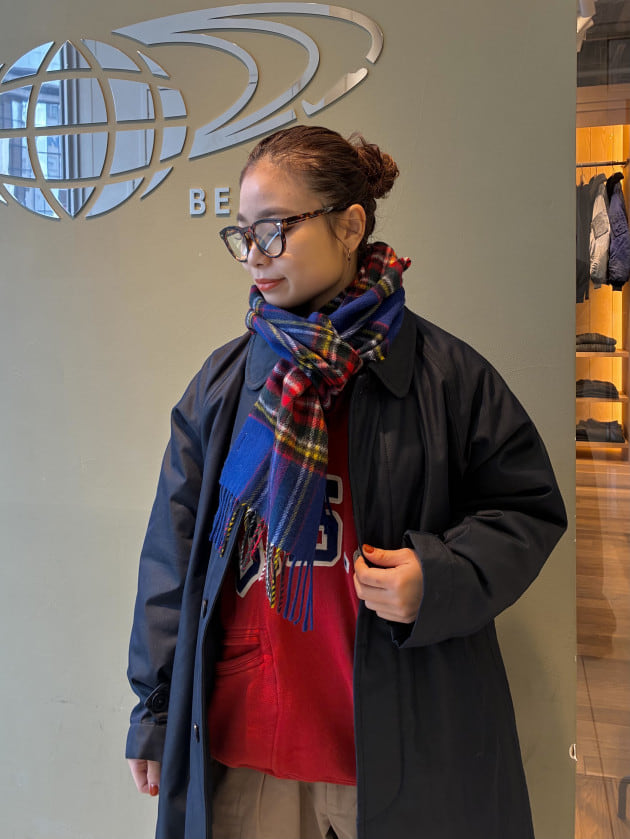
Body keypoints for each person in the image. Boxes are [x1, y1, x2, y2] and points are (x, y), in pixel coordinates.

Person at [126, 125, 567, 839]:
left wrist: (439, 577)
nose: (255, 256)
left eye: (275, 229)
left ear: (350, 225)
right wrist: (154, 710)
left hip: (395, 750)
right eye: (243, 234)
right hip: (247, 751)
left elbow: (526, 508)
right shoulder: (226, 385)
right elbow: (173, 558)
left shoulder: (445, 377)